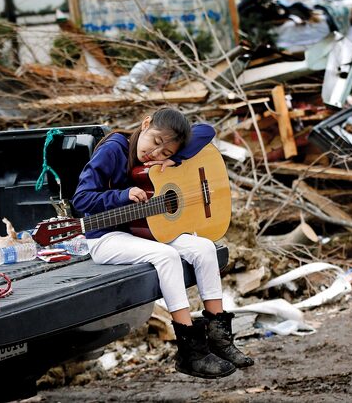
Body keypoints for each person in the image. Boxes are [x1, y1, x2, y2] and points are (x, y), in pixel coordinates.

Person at [71, 107, 253, 379]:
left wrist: (176, 158)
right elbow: (81, 200)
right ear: (145, 123)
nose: (154, 154)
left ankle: (219, 338)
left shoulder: (164, 154)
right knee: (166, 255)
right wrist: (122, 195)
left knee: (205, 248)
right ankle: (190, 351)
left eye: (164, 153)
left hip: (144, 230)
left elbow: (207, 131)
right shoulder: (114, 149)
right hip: (107, 237)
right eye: (155, 142)